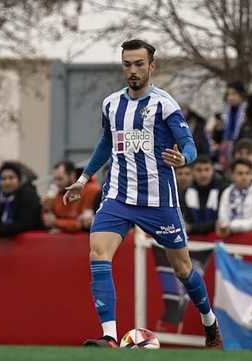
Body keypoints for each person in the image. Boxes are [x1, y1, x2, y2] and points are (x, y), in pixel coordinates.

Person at [62, 39, 222, 348]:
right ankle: (109, 336)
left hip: (158, 202)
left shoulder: (165, 104)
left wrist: (184, 158)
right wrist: (84, 179)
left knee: (183, 268)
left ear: (152, 66)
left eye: (138, 64)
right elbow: (106, 144)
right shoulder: (111, 104)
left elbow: (189, 144)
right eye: (127, 64)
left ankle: (210, 323)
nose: (132, 70)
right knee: (98, 253)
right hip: (118, 197)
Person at [0, 162, 42, 242]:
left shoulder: (28, 195)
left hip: (31, 244)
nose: (7, 182)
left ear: (19, 180)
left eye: (11, 178)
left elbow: (25, 223)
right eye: (3, 179)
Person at [216, 158, 252, 236]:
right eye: (240, 173)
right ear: (232, 175)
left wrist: (231, 226)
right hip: (230, 238)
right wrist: (225, 225)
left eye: (247, 173)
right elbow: (222, 217)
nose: (244, 177)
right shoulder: (227, 192)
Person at [43, 161, 100, 232]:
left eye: (60, 179)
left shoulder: (91, 190)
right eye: (55, 179)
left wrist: (56, 222)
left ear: (72, 176)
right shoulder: (56, 193)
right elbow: (47, 220)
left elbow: (80, 224)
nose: (57, 183)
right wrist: (47, 205)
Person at [180, 155, 227, 235]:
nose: (203, 174)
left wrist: (192, 228)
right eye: (199, 170)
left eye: (207, 170)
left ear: (212, 171)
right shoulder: (186, 192)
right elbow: (186, 220)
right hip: (193, 240)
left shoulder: (222, 190)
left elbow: (219, 221)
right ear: (193, 172)